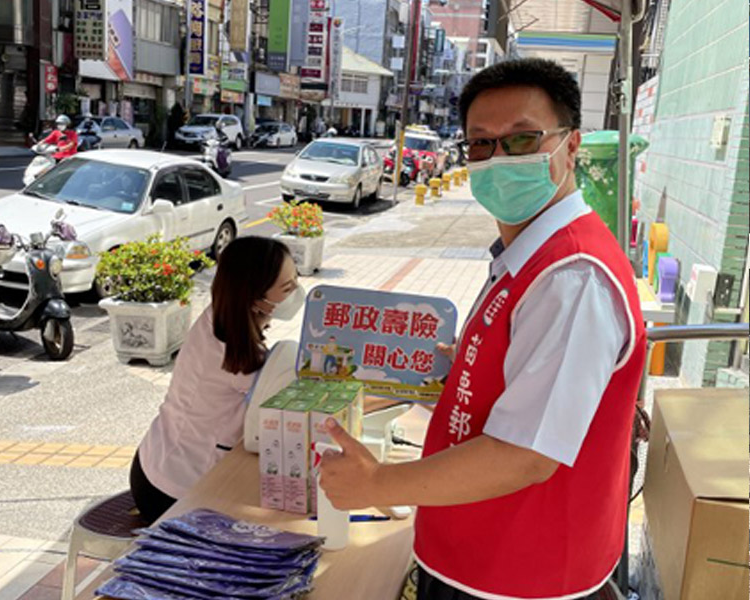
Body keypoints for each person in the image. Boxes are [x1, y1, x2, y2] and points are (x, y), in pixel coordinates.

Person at [319, 57, 646, 600]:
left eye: (522, 140)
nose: (498, 160)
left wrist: (376, 484)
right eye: (480, 144)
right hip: (476, 550)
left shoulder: (573, 277)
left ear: (571, 146)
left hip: (520, 577)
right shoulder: (530, 254)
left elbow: (525, 455)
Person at [130, 237, 306, 523]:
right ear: (254, 298)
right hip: (171, 491)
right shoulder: (236, 358)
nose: (296, 291)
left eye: (295, 279)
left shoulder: (223, 317)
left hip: (157, 459)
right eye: (287, 288)